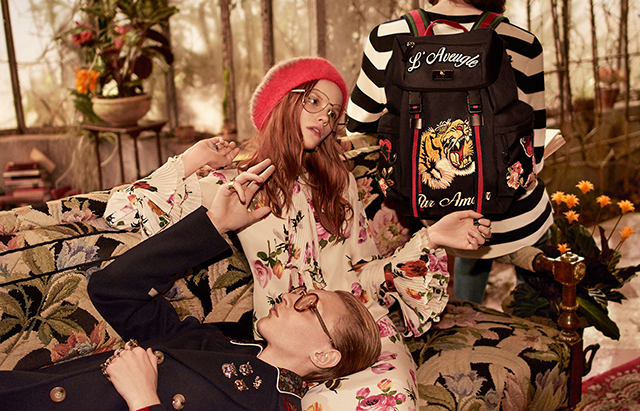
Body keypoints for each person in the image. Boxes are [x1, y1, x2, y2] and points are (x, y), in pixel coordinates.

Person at [103, 56, 491, 411]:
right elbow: (121, 212)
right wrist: (194, 160)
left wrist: (431, 239)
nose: (325, 117)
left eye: (333, 112)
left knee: (394, 399)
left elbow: (363, 275)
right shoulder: (236, 184)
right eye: (314, 101)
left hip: (362, 332)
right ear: (282, 102)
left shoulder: (339, 183)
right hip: (289, 351)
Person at [0, 160, 382, 411]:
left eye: (309, 304)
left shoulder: (273, 406)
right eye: (301, 291)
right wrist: (215, 224)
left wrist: (143, 399)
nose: (291, 295)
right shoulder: (215, 343)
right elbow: (113, 290)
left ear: (325, 356)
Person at [346, 0, 554, 304]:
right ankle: (533, 320)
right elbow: (534, 152)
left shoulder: (387, 37)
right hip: (507, 220)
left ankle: (463, 307)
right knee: (539, 229)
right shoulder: (521, 43)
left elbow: (357, 128)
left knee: (468, 249)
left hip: (419, 220)